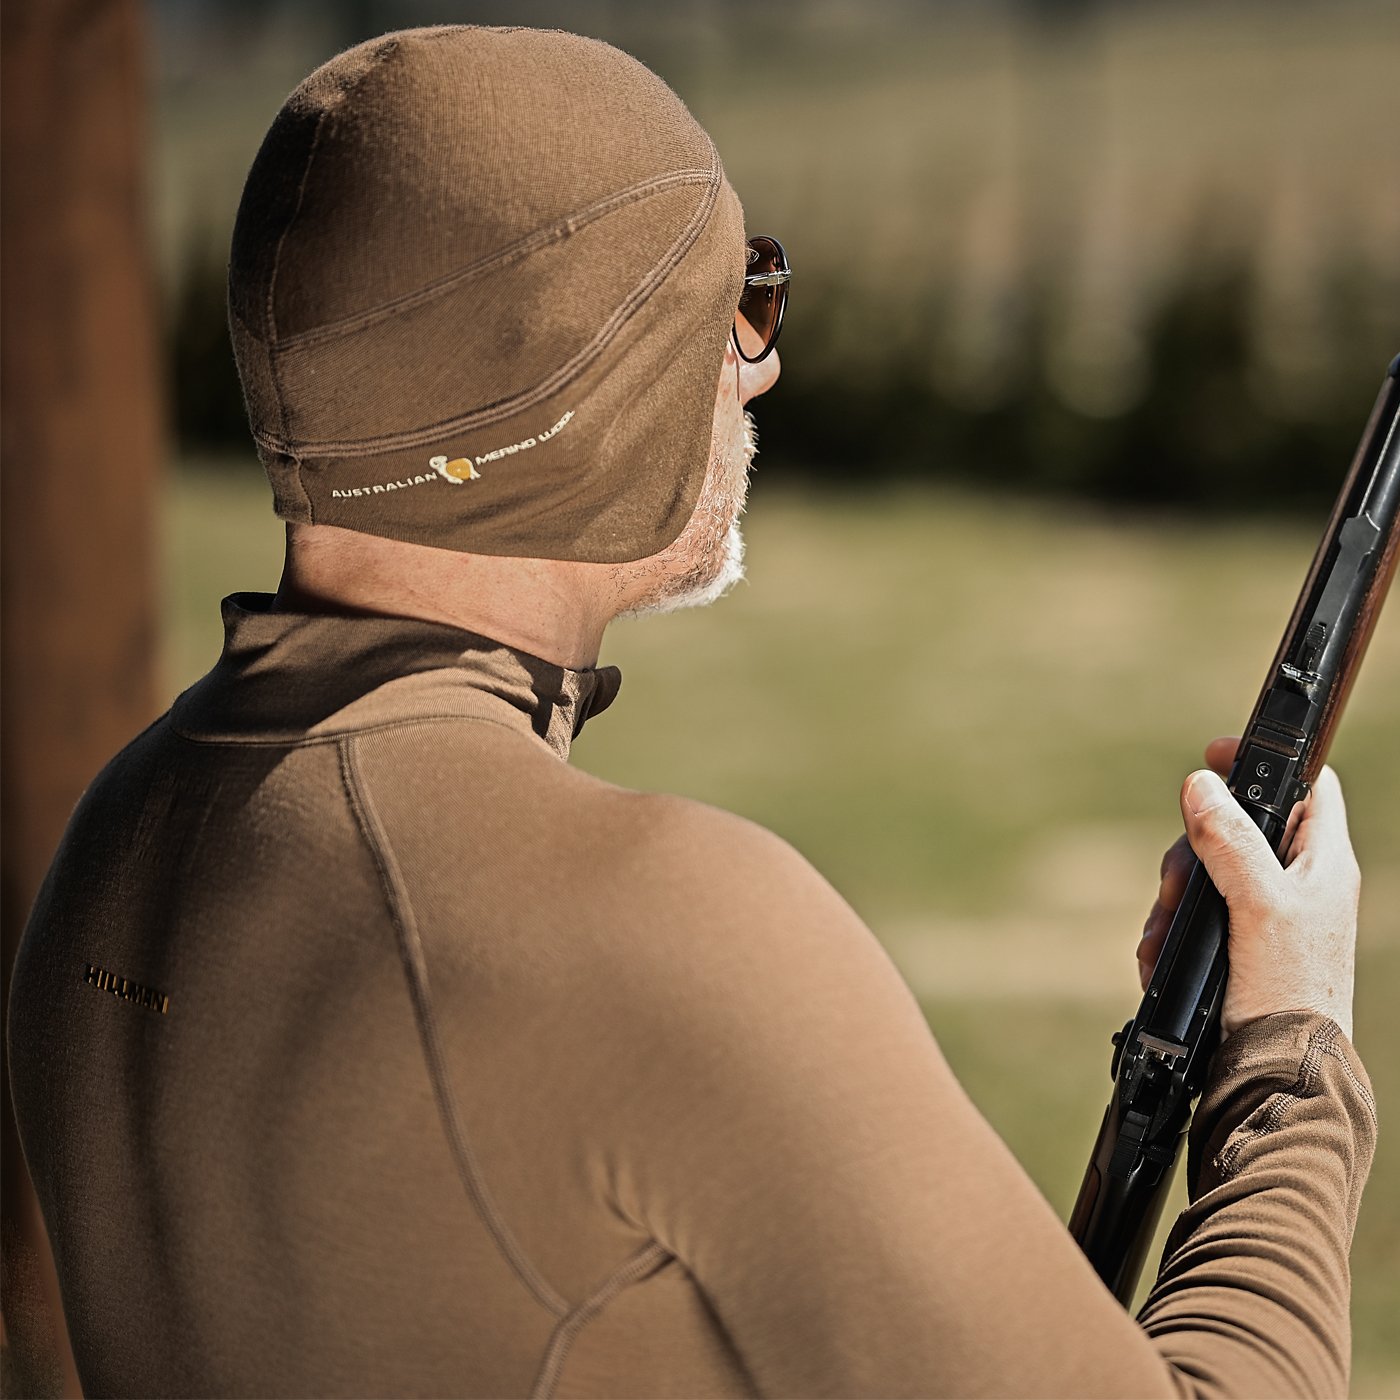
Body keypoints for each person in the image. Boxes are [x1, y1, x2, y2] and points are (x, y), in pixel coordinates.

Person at [6, 25, 1374, 1399]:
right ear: (587, 387)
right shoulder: (664, 924)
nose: (758, 362)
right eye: (737, 302)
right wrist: (1288, 1054)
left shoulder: (109, 849)